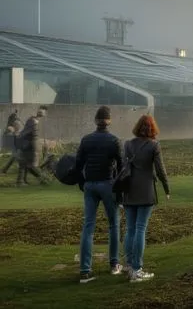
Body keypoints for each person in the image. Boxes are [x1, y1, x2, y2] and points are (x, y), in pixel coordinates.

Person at [75, 106, 123, 284]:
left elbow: (78, 164)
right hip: (108, 183)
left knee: (88, 226)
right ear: (109, 121)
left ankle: (85, 270)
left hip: (90, 185)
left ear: (96, 121)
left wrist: (82, 183)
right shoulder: (114, 140)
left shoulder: (86, 140)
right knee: (113, 225)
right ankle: (114, 264)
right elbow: (121, 165)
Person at [123, 114, 170, 282]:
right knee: (140, 229)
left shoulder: (127, 144)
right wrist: (166, 188)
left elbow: (123, 168)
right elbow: (160, 170)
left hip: (129, 191)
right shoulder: (154, 145)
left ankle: (128, 265)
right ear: (152, 129)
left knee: (130, 229)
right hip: (146, 191)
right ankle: (137, 269)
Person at [16, 106, 48, 186]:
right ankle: (43, 179)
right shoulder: (32, 121)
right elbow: (31, 134)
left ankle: (22, 181)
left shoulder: (36, 121)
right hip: (28, 144)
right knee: (29, 164)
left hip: (29, 145)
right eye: (40, 111)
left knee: (25, 164)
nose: (41, 113)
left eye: (43, 112)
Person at [1, 111, 24, 177]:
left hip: (17, 142)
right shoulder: (12, 126)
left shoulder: (13, 125)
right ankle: (5, 169)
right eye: (16, 118)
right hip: (15, 142)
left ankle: (5, 169)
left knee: (15, 156)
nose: (17, 119)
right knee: (16, 156)